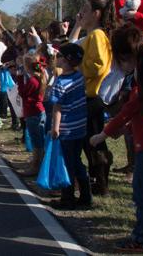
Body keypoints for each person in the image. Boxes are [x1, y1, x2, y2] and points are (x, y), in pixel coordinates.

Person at [90, 24, 143, 252]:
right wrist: (128, 129)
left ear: (126, 57)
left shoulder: (141, 88)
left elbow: (126, 113)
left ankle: (141, 238)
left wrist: (102, 135)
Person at [77, 0, 115, 195]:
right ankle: (96, 179)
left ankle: (100, 182)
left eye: (85, 9)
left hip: (93, 96)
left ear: (96, 14)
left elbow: (98, 65)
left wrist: (77, 69)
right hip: (87, 95)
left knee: (94, 139)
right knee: (88, 140)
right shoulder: (91, 35)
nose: (80, 14)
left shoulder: (97, 35)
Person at [49, 42, 91, 210]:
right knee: (77, 160)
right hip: (80, 126)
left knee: (67, 164)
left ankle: (68, 198)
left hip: (66, 128)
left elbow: (57, 107)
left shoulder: (60, 82)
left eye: (58, 56)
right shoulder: (80, 77)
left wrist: (55, 128)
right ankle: (86, 196)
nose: (56, 58)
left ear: (66, 60)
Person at [18, 52, 47, 176]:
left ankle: (36, 166)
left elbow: (23, 93)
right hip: (39, 111)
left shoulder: (33, 80)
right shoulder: (41, 77)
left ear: (27, 66)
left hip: (32, 112)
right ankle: (40, 164)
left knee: (37, 142)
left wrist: (19, 79)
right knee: (41, 140)